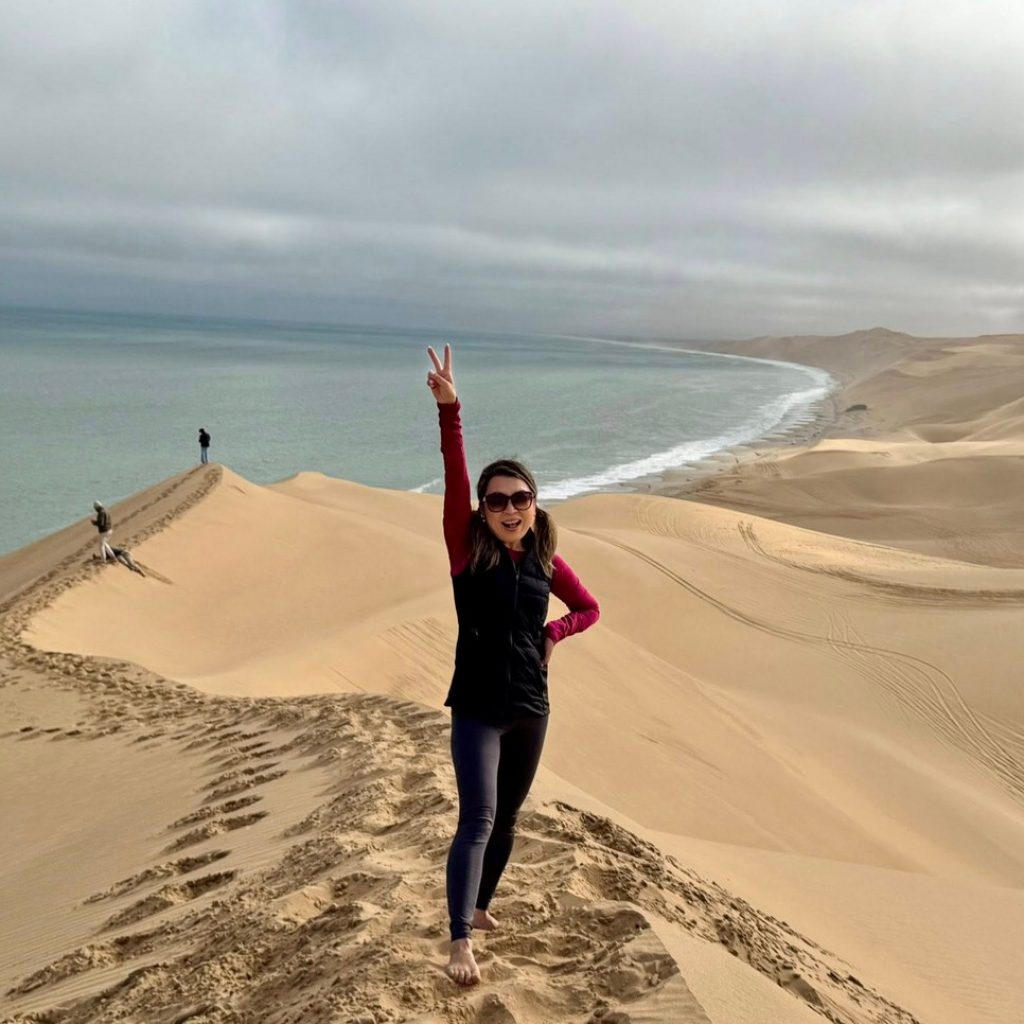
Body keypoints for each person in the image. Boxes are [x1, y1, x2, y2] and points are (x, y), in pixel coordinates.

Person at [426, 344, 600, 986]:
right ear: (482, 508)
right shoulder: (467, 551)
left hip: (531, 707)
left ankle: (480, 903)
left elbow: (590, 608)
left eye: (519, 498)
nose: (507, 508)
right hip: (476, 707)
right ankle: (460, 941)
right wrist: (452, 413)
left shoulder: (546, 561)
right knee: (476, 819)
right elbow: (452, 473)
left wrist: (557, 628)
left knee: (509, 818)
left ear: (533, 502)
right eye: (495, 500)